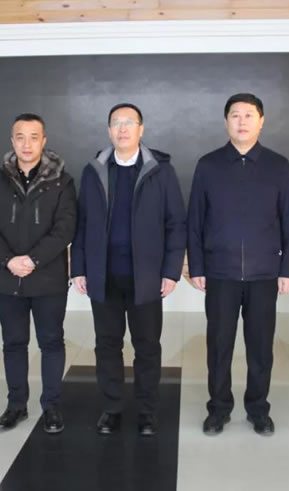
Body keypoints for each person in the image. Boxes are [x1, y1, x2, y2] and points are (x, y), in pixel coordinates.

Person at [70, 103, 186, 436]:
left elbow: (176, 223)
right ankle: (112, 409)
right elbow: (82, 223)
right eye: (116, 123)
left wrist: (171, 271)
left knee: (147, 346)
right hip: (103, 275)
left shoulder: (160, 171)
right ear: (109, 130)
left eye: (129, 122)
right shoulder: (94, 170)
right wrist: (79, 268)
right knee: (107, 345)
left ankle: (147, 411)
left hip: (145, 277)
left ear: (141, 129)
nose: (122, 129)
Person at [187, 93, 289, 436]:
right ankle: (218, 408)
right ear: (226, 122)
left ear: (261, 121)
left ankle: (258, 409)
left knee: (261, 347)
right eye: (235, 115)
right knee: (219, 346)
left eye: (249, 115)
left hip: (264, 274)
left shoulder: (278, 166)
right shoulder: (208, 165)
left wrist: (287, 269)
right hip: (220, 272)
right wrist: (197, 266)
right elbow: (195, 220)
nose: (242, 121)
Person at [0, 113, 77, 434]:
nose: (26, 144)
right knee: (13, 343)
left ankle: (52, 406)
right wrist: (9, 260)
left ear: (43, 141)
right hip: (8, 278)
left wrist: (33, 259)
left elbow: (65, 228)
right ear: (12, 141)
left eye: (34, 137)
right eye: (20, 137)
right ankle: (16, 405)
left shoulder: (62, 181)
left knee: (51, 342)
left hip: (48, 278)